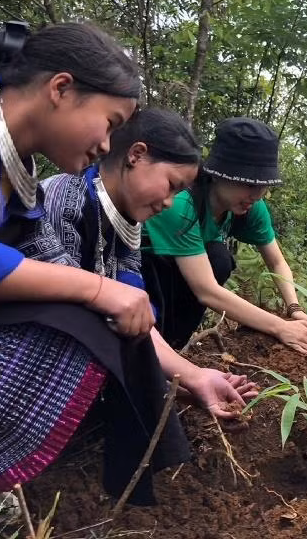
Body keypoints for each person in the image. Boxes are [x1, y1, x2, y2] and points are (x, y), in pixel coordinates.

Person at [0, 20, 191, 506]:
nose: (105, 145)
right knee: (75, 317)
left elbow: (49, 260)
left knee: (93, 315)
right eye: (111, 123)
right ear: (61, 89)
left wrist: (187, 372)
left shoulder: (21, 179)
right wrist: (96, 290)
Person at [39, 108, 259, 419]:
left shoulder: (127, 227)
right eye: (171, 185)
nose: (169, 202)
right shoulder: (65, 197)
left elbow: (134, 312)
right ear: (136, 155)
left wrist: (191, 378)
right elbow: (70, 303)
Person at [141, 117, 307, 355]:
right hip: (144, 271)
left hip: (185, 273)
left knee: (219, 258)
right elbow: (206, 290)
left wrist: (294, 308)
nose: (257, 194)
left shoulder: (250, 206)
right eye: (249, 184)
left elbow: (277, 261)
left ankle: (173, 347)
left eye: (263, 185)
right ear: (217, 174)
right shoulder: (180, 204)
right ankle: (153, 349)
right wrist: (280, 327)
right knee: (189, 266)